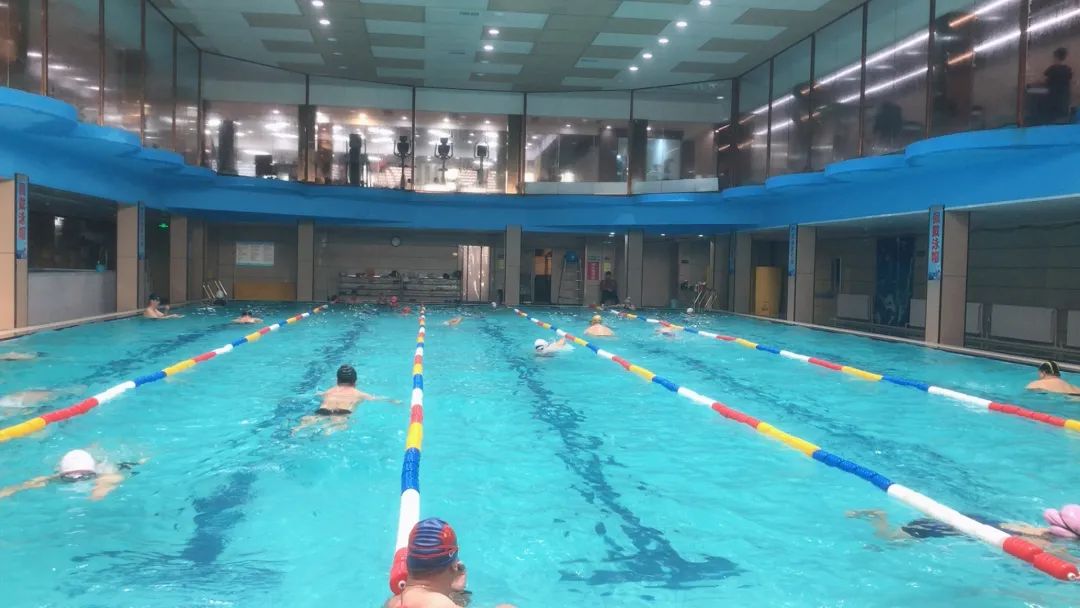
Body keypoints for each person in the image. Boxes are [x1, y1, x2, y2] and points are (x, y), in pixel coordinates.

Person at [384, 518, 516, 608]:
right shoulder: (443, 605)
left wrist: (456, 593)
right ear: (454, 566)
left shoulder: (392, 603)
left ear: (408, 563)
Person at [846, 506, 1080, 550]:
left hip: (972, 518)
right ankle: (878, 515)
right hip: (956, 529)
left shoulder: (1036, 529)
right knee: (887, 537)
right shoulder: (1050, 545)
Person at [0, 448, 143, 501]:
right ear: (61, 474)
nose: (77, 479)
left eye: (85, 476)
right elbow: (27, 485)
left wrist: (101, 489)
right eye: (70, 477)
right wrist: (11, 490)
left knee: (138, 462)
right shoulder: (56, 478)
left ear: (92, 473)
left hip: (108, 468)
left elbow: (113, 479)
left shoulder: (104, 474)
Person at [293, 364, 398, 434]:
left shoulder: (329, 391)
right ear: (355, 381)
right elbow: (376, 399)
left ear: (337, 380)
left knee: (311, 420)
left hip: (323, 410)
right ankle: (328, 431)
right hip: (342, 412)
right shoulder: (359, 394)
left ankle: (298, 429)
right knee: (337, 426)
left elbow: (317, 394)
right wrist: (393, 400)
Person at [1044, 47, 1073, 123]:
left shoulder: (1052, 69)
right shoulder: (1068, 69)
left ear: (1056, 57)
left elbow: (1045, 81)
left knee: (1053, 118)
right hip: (1064, 99)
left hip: (1053, 98)